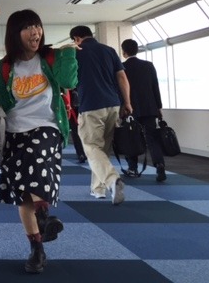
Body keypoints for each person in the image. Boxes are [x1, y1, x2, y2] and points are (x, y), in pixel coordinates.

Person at [0, 10, 78, 274]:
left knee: (34, 159)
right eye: (28, 27)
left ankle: (44, 218)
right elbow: (5, 103)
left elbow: (69, 81)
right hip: (14, 132)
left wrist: (68, 53)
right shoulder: (6, 65)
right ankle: (37, 248)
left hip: (47, 127)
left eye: (37, 26)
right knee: (24, 196)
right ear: (15, 34)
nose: (35, 31)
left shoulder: (50, 58)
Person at [69, 25, 132, 205]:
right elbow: (122, 77)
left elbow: (68, 82)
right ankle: (98, 189)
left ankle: (112, 180)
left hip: (91, 105)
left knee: (91, 147)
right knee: (102, 150)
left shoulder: (76, 52)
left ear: (76, 39)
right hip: (113, 104)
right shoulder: (109, 50)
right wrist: (127, 102)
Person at [120, 38, 166, 182]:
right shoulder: (148, 65)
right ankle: (159, 165)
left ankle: (132, 167)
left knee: (131, 138)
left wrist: (121, 107)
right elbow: (155, 87)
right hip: (149, 107)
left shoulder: (121, 67)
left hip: (130, 109)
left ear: (124, 52)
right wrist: (158, 107)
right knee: (152, 138)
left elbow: (119, 89)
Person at [63, 88, 87, 163]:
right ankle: (81, 152)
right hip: (76, 101)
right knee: (76, 127)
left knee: (76, 128)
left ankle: (81, 153)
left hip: (75, 100)